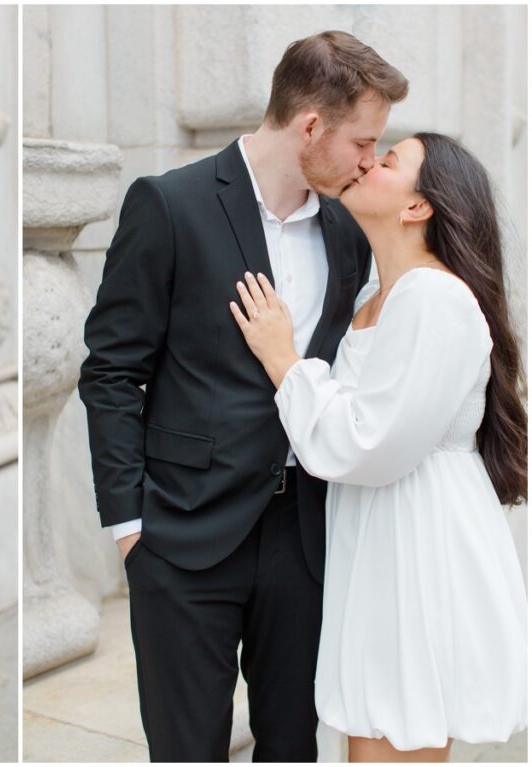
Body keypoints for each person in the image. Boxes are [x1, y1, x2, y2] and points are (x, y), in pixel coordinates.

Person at [78, 31, 409, 761]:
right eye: (364, 140)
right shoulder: (169, 204)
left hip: (307, 537)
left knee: (292, 745)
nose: (369, 159)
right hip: (182, 537)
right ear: (311, 125)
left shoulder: (349, 229)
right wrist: (131, 529)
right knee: (187, 748)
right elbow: (110, 370)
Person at [230, 133, 527, 762]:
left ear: (419, 207)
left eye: (388, 161)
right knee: (368, 735)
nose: (368, 161)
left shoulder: (435, 298)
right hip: (377, 532)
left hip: (419, 540)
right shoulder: (378, 296)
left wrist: (285, 361)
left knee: (393, 735)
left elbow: (372, 444)